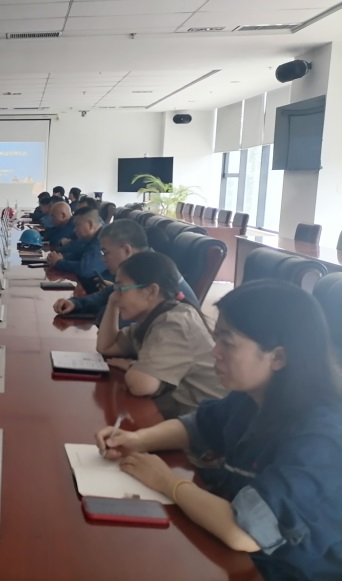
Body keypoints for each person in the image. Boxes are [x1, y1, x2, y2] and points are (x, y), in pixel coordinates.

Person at [95, 280, 342, 581]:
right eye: (217, 339)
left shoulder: (323, 441)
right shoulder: (254, 397)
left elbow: (244, 531)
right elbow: (197, 426)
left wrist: (167, 482)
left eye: (228, 343)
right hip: (238, 557)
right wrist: (138, 439)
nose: (215, 352)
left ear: (278, 357)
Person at [96, 251, 226, 417]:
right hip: (179, 413)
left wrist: (132, 365)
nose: (116, 295)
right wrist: (112, 303)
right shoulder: (154, 318)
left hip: (203, 422)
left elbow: (141, 385)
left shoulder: (174, 324)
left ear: (151, 291)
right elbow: (107, 346)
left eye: (121, 289)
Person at [54, 219, 198, 323]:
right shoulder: (142, 265)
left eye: (105, 252)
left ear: (127, 250)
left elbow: (119, 323)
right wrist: (75, 303)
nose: (103, 259)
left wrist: (107, 308)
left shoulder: (152, 271)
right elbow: (106, 295)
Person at [46, 207, 107, 291]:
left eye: (77, 225)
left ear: (90, 224)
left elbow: (86, 269)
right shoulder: (91, 238)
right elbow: (76, 253)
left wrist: (59, 262)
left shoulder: (103, 239)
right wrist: (59, 257)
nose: (74, 230)